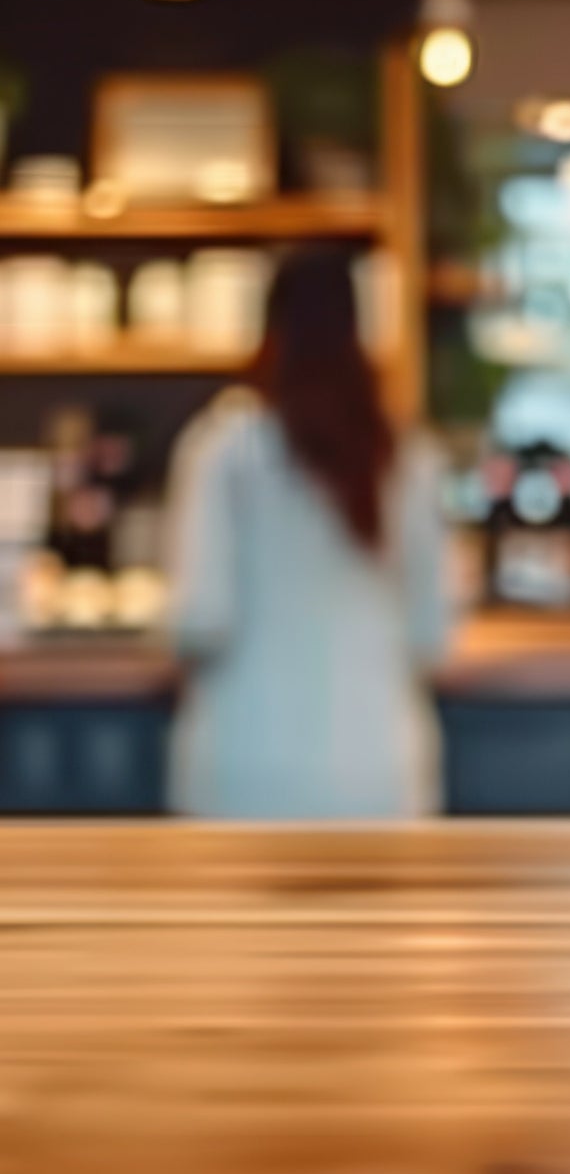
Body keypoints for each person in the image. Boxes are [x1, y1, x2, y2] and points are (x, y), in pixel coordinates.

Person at [165, 248, 450, 819]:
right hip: (377, 769)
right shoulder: (407, 454)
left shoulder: (223, 449)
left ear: (268, 330)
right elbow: (432, 633)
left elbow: (199, 618)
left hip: (245, 766)